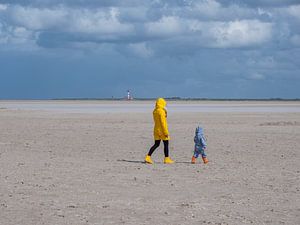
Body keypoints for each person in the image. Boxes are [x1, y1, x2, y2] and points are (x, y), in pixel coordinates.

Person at [144, 98, 174, 164]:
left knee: (156, 144)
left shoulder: (155, 111)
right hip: (162, 130)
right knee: (166, 144)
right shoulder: (161, 111)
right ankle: (167, 159)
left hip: (156, 129)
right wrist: (166, 132)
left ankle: (148, 157)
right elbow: (163, 123)